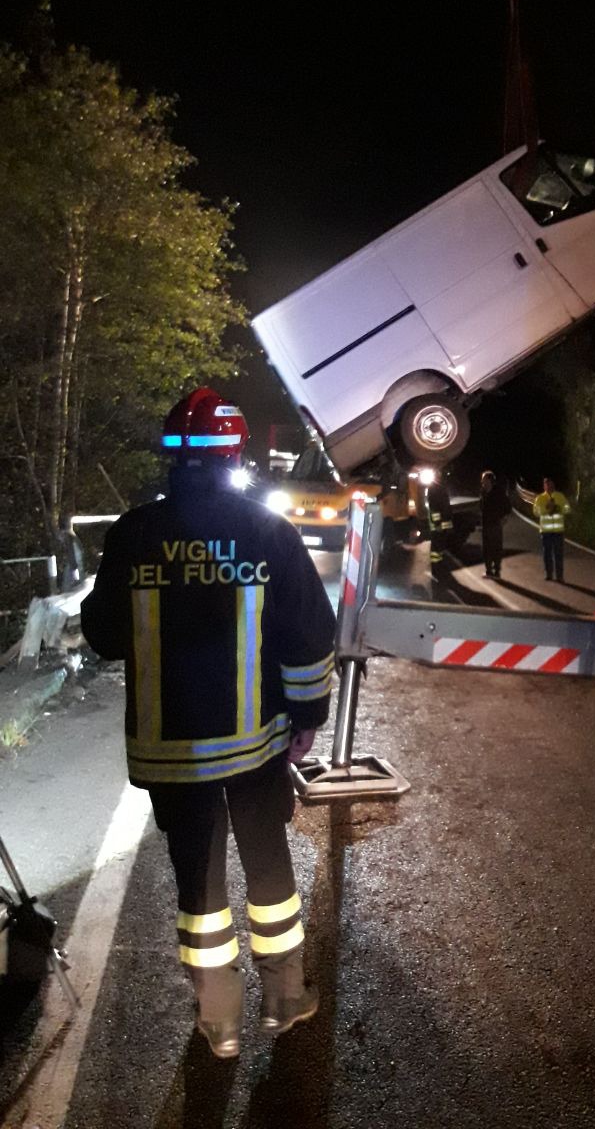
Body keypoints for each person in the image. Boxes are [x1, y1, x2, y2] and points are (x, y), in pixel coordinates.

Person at [81, 388, 336, 1060]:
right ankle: (284, 1000)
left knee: (198, 881)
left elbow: (104, 636)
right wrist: (307, 717)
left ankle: (218, 1019)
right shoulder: (268, 532)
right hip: (254, 747)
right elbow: (309, 638)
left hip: (171, 752)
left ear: (172, 455)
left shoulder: (133, 532)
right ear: (236, 454)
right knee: (268, 866)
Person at [532, 477, 571, 582]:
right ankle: (549, 574)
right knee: (547, 554)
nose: (549, 486)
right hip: (546, 531)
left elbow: (567, 509)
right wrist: (547, 509)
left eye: (550, 484)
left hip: (558, 531)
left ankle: (559, 576)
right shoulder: (540, 498)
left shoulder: (560, 496)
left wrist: (558, 508)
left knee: (558, 554)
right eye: (546, 484)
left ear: (553, 485)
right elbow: (536, 512)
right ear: (544, 486)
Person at [479, 470, 510, 578]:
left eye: (484, 479)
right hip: (486, 525)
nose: (482, 481)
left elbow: (507, 507)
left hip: (496, 525)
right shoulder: (483, 492)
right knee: (486, 549)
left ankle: (497, 571)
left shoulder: (498, 492)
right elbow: (482, 508)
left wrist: (504, 519)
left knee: (496, 548)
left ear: (489, 480)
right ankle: (488, 571)